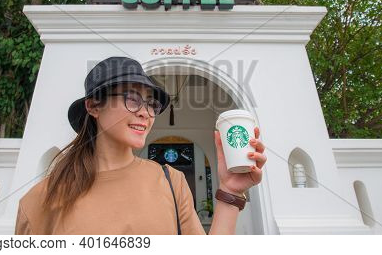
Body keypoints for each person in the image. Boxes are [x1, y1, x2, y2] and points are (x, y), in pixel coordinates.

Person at [14, 56, 267, 235]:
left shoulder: (171, 181)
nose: (145, 113)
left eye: (150, 104)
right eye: (132, 100)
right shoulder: (41, 199)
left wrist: (230, 191)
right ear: (93, 107)